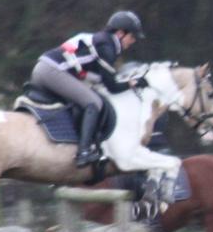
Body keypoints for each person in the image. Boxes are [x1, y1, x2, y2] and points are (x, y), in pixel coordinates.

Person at [31, 10, 149, 166]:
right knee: (94, 103)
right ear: (120, 33)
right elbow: (112, 87)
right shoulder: (107, 47)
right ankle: (83, 152)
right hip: (51, 71)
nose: (133, 41)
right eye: (132, 36)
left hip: (42, 69)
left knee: (83, 98)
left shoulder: (100, 40)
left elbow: (93, 77)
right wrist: (132, 83)